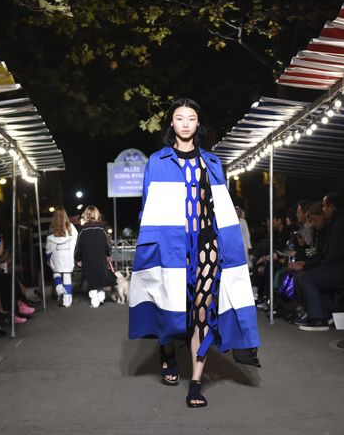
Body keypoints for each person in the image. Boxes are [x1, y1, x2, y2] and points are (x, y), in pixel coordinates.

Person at [128, 98, 260, 408]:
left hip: (207, 246)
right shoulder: (157, 161)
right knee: (170, 304)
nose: (185, 123)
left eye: (191, 118)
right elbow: (149, 208)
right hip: (170, 246)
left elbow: (223, 210)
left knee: (202, 310)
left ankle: (196, 383)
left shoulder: (212, 162)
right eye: (179, 118)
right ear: (171, 124)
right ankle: (168, 351)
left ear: (197, 124)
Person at [295, 193, 344, 331]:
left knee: (307, 277)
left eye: (324, 206)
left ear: (332, 207)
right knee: (306, 275)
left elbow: (335, 253)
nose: (323, 209)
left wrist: (316, 268)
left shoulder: (343, 222)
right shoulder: (341, 221)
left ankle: (319, 318)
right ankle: (331, 312)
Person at [74, 206, 113, 308]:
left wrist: (77, 258)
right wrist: (108, 254)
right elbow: (108, 245)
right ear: (97, 215)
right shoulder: (102, 228)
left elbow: (79, 246)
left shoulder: (82, 230)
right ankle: (101, 297)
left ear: (85, 215)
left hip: (88, 259)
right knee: (100, 278)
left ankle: (94, 301)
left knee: (91, 280)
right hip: (100, 259)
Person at [46, 207, 78, 307]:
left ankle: (60, 290)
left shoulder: (52, 228)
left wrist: (48, 257)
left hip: (56, 256)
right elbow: (76, 241)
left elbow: (49, 247)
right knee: (67, 277)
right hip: (68, 256)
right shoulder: (71, 227)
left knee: (56, 273)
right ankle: (67, 301)